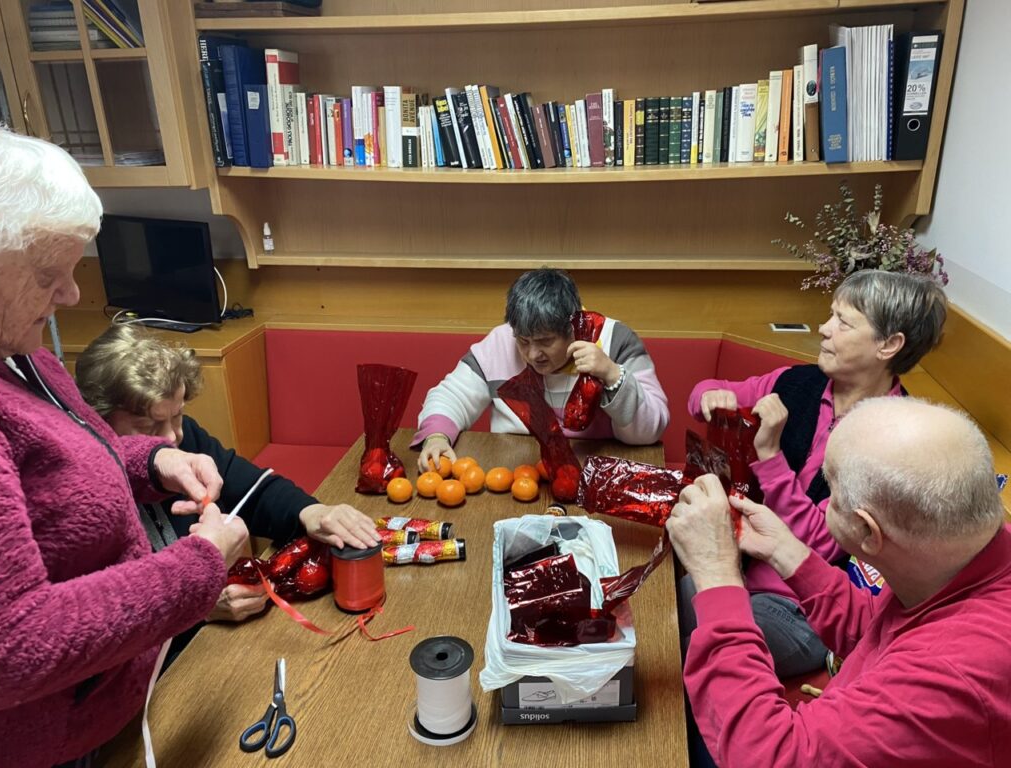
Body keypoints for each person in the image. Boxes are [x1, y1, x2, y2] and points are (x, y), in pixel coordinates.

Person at [0, 128, 250, 766]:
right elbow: (12, 647)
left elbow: (80, 463)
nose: (72, 295)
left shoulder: (20, 354)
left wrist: (157, 461)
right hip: (50, 747)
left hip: (116, 707)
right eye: (50, 273)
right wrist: (200, 566)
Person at [666, 397, 1011, 766]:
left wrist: (717, 572)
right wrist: (785, 551)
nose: (825, 498)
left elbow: (771, 757)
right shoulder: (953, 555)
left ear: (867, 531)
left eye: (830, 489)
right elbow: (879, 630)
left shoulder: (954, 670)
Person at [682, 269, 947, 677]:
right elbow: (702, 392)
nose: (823, 329)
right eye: (830, 315)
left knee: (688, 647)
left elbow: (821, 544)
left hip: (805, 611)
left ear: (889, 345)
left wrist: (769, 457)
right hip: (741, 568)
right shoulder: (799, 382)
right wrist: (712, 397)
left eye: (843, 321)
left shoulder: (895, 441)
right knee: (660, 608)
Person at [76, 323, 380, 629]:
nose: (171, 437)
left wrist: (312, 511)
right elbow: (101, 622)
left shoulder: (186, 438)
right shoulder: (81, 494)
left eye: (177, 415)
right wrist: (199, 608)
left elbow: (254, 489)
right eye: (148, 426)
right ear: (97, 420)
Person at [413, 267, 669, 470]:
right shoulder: (502, 340)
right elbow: (452, 395)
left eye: (545, 341)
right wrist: (436, 437)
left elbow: (650, 431)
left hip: (596, 471)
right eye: (523, 341)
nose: (533, 354)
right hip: (516, 469)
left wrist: (613, 376)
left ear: (572, 328)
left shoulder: (615, 340)